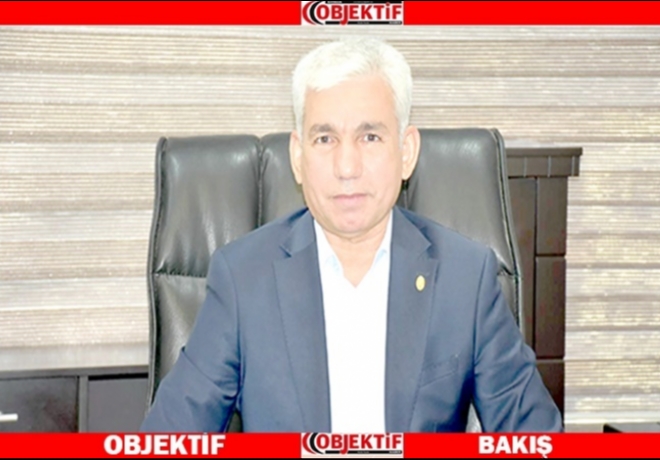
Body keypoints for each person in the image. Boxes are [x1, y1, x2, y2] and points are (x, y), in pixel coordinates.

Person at [140, 37, 562, 433]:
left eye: (370, 137)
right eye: (325, 138)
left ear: (406, 152)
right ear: (298, 157)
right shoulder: (243, 278)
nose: (347, 167)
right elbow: (170, 439)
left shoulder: (465, 277)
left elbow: (536, 439)